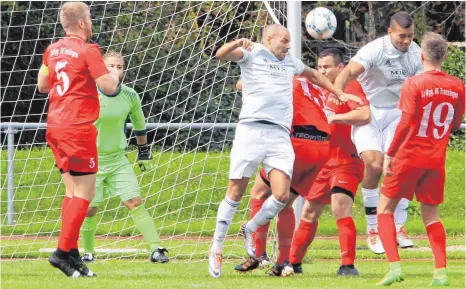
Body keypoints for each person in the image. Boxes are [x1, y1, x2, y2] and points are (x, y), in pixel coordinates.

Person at [209, 24, 362, 278]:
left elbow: (312, 74)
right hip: (284, 138)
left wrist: (338, 93)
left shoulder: (292, 67)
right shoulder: (254, 52)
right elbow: (221, 55)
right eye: (285, 40)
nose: (289, 45)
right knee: (269, 198)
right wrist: (237, 43)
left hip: (286, 137)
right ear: (268, 38)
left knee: (272, 196)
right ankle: (225, 249)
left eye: (290, 41)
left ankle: (258, 249)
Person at [37, 1, 119, 277]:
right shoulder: (88, 50)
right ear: (82, 23)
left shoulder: (51, 50)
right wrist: (114, 73)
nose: (92, 22)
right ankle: (61, 252)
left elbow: (43, 86)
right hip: (78, 126)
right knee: (86, 193)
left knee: (73, 192)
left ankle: (71, 254)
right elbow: (108, 87)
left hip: (55, 124)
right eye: (90, 18)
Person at [375, 32, 464, 287]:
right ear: (444, 56)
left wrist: (390, 153)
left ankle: (394, 268)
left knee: (384, 210)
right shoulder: (457, 85)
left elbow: (405, 123)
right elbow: (456, 122)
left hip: (408, 155)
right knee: (432, 216)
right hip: (435, 159)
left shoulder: (413, 83)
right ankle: (441, 273)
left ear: (421, 55)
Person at [334, 11, 423, 253]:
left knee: (401, 168)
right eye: (402, 36)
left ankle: (399, 227)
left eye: (410, 36)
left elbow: (421, 87)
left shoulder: (416, 54)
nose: (407, 41)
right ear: (390, 32)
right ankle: (373, 230)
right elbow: (347, 72)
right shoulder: (375, 50)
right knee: (373, 166)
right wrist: (340, 94)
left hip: (398, 113)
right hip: (370, 112)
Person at [233, 73, 331, 277]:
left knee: (259, 195)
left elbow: (242, 84)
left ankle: (259, 255)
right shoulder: (311, 83)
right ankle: (284, 262)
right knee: (285, 202)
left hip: (298, 142)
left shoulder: (282, 78)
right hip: (321, 147)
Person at [79, 51, 169, 264]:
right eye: (110, 65)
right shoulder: (87, 92)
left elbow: (139, 125)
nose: (115, 70)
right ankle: (88, 251)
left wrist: (144, 151)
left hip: (118, 159)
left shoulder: (130, 95)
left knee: (134, 201)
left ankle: (156, 249)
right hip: (91, 159)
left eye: (119, 66)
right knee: (89, 208)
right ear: (101, 68)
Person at [287, 48, 370, 276]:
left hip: (347, 162)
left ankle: (347, 266)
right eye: (320, 66)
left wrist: (335, 117)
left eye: (327, 66)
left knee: (339, 206)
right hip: (321, 163)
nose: (322, 70)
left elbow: (365, 115)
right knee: (308, 212)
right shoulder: (315, 89)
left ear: (340, 68)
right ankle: (293, 263)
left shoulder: (349, 87)